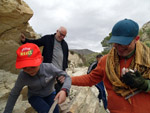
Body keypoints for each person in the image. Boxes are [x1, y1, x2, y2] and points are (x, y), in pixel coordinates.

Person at [71, 19, 150, 113]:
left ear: (136, 39)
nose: (119, 48)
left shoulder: (148, 58)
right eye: (117, 43)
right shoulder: (105, 61)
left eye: (124, 43)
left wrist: (144, 84)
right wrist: (69, 79)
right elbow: (90, 79)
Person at [3, 43, 71, 113]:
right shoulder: (23, 75)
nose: (29, 70)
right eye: (24, 67)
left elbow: (67, 76)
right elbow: (14, 93)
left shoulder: (49, 68)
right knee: (45, 111)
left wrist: (64, 90)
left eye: (33, 66)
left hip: (50, 94)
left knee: (55, 111)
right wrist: (7, 111)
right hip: (34, 97)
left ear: (41, 59)